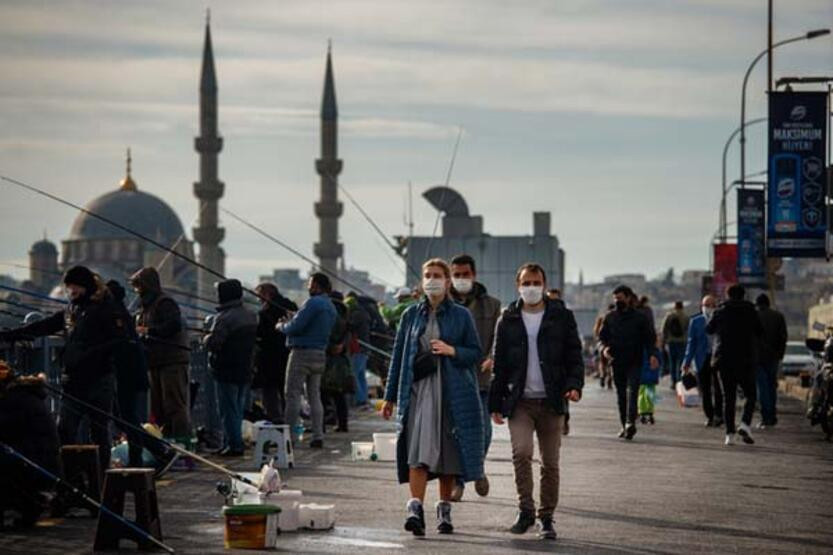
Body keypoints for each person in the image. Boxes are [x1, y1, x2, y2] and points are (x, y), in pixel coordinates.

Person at [381, 258, 483, 537]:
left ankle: (444, 509)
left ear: (448, 281)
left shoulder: (461, 315)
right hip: (418, 392)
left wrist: (453, 351)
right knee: (417, 451)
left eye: (437, 275)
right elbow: (399, 358)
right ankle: (415, 507)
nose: (432, 280)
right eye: (427, 275)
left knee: (448, 454)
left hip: (452, 392)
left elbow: (475, 352)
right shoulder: (410, 315)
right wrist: (389, 397)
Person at [489, 263, 583, 541]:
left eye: (536, 282)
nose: (531, 287)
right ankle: (525, 510)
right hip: (520, 401)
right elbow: (500, 363)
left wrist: (574, 385)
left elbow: (574, 355)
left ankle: (546, 517)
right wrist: (495, 402)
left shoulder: (561, 316)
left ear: (544, 284)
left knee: (550, 463)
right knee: (521, 453)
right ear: (518, 285)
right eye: (526, 282)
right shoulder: (508, 318)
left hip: (551, 400)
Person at [0, 266, 123, 473]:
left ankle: (102, 479)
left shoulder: (103, 309)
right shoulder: (71, 310)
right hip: (73, 381)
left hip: (99, 380)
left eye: (74, 286)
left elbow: (118, 341)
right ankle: (70, 479)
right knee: (65, 431)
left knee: (99, 431)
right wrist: (13, 335)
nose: (71, 291)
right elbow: (45, 326)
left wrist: (89, 356)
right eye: (69, 287)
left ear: (85, 286)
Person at [449, 254, 501, 500]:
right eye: (456, 275)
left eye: (465, 274)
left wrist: (492, 357)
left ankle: (476, 469)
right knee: (456, 432)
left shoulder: (492, 305)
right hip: (451, 378)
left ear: (474, 275)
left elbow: (500, 339)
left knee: (483, 431)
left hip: (481, 379)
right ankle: (459, 480)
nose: (461, 279)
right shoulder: (441, 304)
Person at [130, 267, 191, 438]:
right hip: (156, 361)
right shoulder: (145, 306)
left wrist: (148, 331)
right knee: (159, 408)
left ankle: (181, 442)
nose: (137, 290)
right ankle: (166, 442)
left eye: (139, 286)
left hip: (172, 361)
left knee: (174, 404)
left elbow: (173, 326)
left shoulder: (165, 302)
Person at [279, 272, 336, 448]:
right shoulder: (330, 306)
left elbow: (295, 327)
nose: (308, 286)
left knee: (293, 395)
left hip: (302, 354)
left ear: (317, 286)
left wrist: (281, 326)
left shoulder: (313, 302)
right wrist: (296, 317)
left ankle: (290, 439)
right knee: (314, 396)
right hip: (320, 354)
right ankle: (318, 435)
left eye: (310, 283)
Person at [0, 362, 61, 527]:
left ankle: (27, 504)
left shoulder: (13, 400)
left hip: (33, 468)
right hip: (44, 465)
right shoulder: (26, 394)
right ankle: (30, 506)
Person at [204, 279, 257, 456]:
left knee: (227, 410)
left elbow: (214, 343)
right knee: (237, 408)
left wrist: (206, 338)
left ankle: (234, 446)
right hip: (245, 369)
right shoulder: (250, 315)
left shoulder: (224, 318)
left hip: (225, 370)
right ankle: (231, 443)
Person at [706, 284, 763, 446]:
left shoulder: (720, 311)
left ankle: (729, 434)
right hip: (745, 359)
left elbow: (708, 329)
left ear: (728, 295)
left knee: (728, 397)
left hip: (723, 360)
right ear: (743, 295)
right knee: (750, 394)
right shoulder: (751, 311)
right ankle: (745, 423)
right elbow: (760, 332)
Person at [598, 285, 657, 440]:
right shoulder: (610, 317)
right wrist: (604, 348)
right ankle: (624, 424)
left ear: (629, 298)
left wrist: (652, 355)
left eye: (620, 298)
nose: (618, 301)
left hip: (634, 360)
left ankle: (630, 422)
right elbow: (601, 338)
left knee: (633, 392)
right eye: (615, 298)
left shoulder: (640, 318)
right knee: (621, 395)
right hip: (616, 361)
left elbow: (649, 338)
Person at [106, 279, 150, 467]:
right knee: (125, 417)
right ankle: (149, 451)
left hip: (126, 375)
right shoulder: (121, 312)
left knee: (126, 417)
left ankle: (141, 457)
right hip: (131, 373)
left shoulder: (114, 315)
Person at [252, 282, 297, 424]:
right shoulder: (291, 308)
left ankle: (274, 421)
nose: (258, 300)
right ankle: (290, 422)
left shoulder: (265, 313)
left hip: (270, 358)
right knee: (287, 391)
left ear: (267, 294)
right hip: (290, 354)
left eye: (259, 296)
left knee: (270, 390)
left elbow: (262, 335)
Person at [682, 295, 724, 427]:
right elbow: (691, 343)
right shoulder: (696, 321)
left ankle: (719, 415)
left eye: (712, 305)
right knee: (705, 389)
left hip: (717, 358)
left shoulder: (720, 319)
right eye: (706, 305)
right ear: (701, 306)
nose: (709, 308)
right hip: (702, 359)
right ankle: (710, 416)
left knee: (718, 389)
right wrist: (686, 362)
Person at [321, 291, 353, 432]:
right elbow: (348, 338)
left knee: (322, 393)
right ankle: (342, 424)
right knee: (339, 395)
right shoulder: (345, 318)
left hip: (328, 360)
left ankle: (320, 425)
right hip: (342, 361)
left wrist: (330, 347)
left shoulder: (329, 317)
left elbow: (323, 336)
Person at [755, 293, 787, 429]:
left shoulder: (754, 316)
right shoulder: (778, 316)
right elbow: (783, 337)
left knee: (762, 388)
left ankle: (766, 417)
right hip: (773, 357)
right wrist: (780, 354)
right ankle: (772, 416)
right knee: (771, 386)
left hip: (757, 357)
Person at [345, 291, 371, 409]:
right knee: (361, 376)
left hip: (358, 349)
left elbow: (350, 326)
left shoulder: (356, 314)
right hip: (365, 348)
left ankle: (359, 400)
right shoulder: (364, 312)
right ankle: (363, 399)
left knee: (354, 374)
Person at [661, 301, 689, 390]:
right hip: (682, 342)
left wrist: (664, 341)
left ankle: (673, 382)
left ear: (675, 307)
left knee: (672, 362)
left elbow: (664, 329)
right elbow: (689, 330)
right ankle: (679, 381)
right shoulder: (686, 317)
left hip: (671, 342)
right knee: (681, 362)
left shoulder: (669, 316)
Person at [638, 336, 663, 425]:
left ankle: (642, 412)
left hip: (642, 376)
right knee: (651, 393)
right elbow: (660, 362)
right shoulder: (655, 351)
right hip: (652, 376)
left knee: (642, 394)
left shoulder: (641, 349)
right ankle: (650, 412)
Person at [593, 305, 614, 389]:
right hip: (610, 344)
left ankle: (602, 375)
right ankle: (609, 378)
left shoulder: (602, 318)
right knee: (610, 363)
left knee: (602, 363)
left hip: (601, 344)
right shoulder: (614, 318)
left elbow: (596, 332)